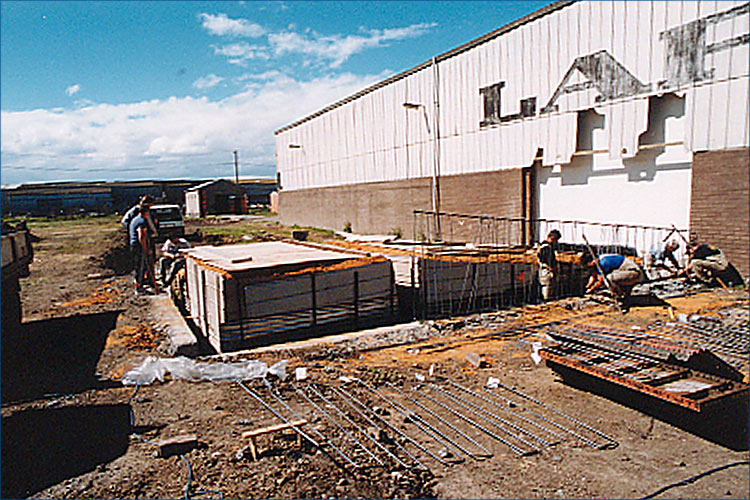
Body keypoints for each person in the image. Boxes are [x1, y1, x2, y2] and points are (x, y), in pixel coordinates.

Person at [130, 205, 155, 294]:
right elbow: (142, 236)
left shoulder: (135, 219)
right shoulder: (141, 221)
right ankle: (139, 287)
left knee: (139, 266)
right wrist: (145, 249)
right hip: (138, 245)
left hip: (134, 244)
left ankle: (139, 284)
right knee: (140, 266)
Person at [537, 229, 561, 301]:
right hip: (546, 270)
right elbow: (546, 258)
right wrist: (551, 267)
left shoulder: (543, 246)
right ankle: (546, 300)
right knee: (547, 286)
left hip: (545, 269)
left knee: (547, 286)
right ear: (552, 238)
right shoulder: (546, 247)